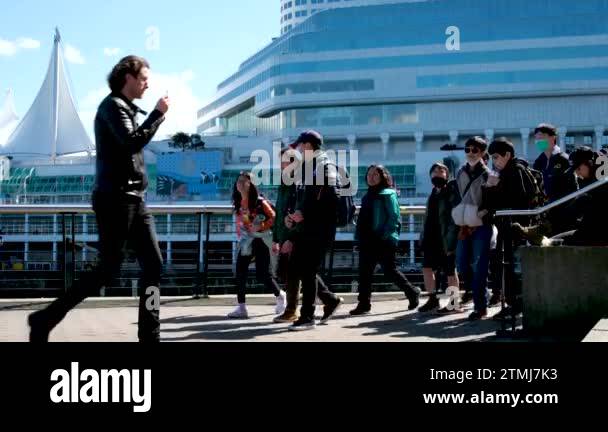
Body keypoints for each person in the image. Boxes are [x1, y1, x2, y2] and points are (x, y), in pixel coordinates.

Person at [28, 56, 169, 342]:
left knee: (154, 266)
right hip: (115, 199)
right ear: (126, 77)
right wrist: (157, 115)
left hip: (136, 200)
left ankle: (150, 335)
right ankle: (45, 317)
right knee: (107, 270)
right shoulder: (112, 107)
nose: (147, 83)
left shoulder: (125, 108)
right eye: (143, 78)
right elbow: (131, 142)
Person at [287, 130, 344, 331]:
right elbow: (305, 199)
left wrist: (305, 215)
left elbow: (332, 199)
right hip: (308, 227)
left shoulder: (324, 166)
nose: (299, 150)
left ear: (309, 146)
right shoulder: (309, 167)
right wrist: (293, 215)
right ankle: (329, 300)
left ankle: (307, 316)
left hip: (319, 228)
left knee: (307, 270)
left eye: (300, 146)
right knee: (298, 267)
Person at [350, 165, 421, 315]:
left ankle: (412, 291)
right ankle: (363, 304)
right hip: (367, 240)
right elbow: (363, 220)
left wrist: (384, 236)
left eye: (375, 174)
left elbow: (394, 217)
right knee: (364, 273)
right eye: (369, 174)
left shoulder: (388, 194)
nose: (371, 177)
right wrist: (358, 239)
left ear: (383, 176)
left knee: (389, 271)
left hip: (383, 239)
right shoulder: (367, 195)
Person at [483, 137, 537, 320]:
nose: (494, 161)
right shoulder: (506, 172)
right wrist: (491, 187)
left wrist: (494, 187)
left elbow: (519, 199)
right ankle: (513, 304)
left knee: (512, 267)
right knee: (506, 266)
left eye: (496, 156)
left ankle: (516, 305)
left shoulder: (515, 171)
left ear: (507, 155)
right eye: (492, 157)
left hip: (514, 228)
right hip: (508, 227)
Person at [228, 172, 286, 319]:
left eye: (243, 181)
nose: (239, 184)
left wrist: (261, 226)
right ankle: (241, 307)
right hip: (247, 240)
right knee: (240, 271)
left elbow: (274, 216)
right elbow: (244, 220)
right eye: (238, 181)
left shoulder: (260, 201)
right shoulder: (239, 201)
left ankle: (280, 296)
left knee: (263, 274)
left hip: (261, 240)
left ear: (251, 184)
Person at [452, 137, 493, 320]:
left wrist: (478, 217)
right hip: (463, 225)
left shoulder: (489, 175)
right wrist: (461, 222)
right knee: (461, 263)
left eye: (474, 150)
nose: (470, 153)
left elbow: (493, 203)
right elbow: (457, 198)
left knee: (480, 266)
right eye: (467, 149)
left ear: (483, 153)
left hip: (482, 226)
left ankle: (480, 306)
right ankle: (480, 294)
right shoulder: (460, 172)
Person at [418, 163, 460, 313]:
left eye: (441, 170)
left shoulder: (451, 191)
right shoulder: (432, 194)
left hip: (446, 238)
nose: (437, 173)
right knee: (427, 268)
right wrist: (422, 237)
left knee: (450, 270)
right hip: (431, 238)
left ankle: (454, 302)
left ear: (447, 175)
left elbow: (454, 217)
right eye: (434, 171)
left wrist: (452, 239)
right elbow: (427, 217)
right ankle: (433, 299)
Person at [272, 146, 302, 323]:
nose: (283, 164)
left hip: (294, 235)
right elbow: (280, 213)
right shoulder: (284, 182)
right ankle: (329, 298)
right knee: (301, 272)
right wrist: (276, 238)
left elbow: (297, 212)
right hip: (284, 234)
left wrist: (291, 237)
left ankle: (291, 310)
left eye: (287, 160)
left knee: (293, 273)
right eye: (282, 160)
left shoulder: (298, 183)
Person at [562, 147, 608, 246]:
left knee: (558, 243)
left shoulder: (603, 179)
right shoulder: (589, 177)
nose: (577, 173)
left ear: (590, 163)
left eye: (578, 168)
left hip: (601, 232)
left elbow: (595, 206)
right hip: (594, 228)